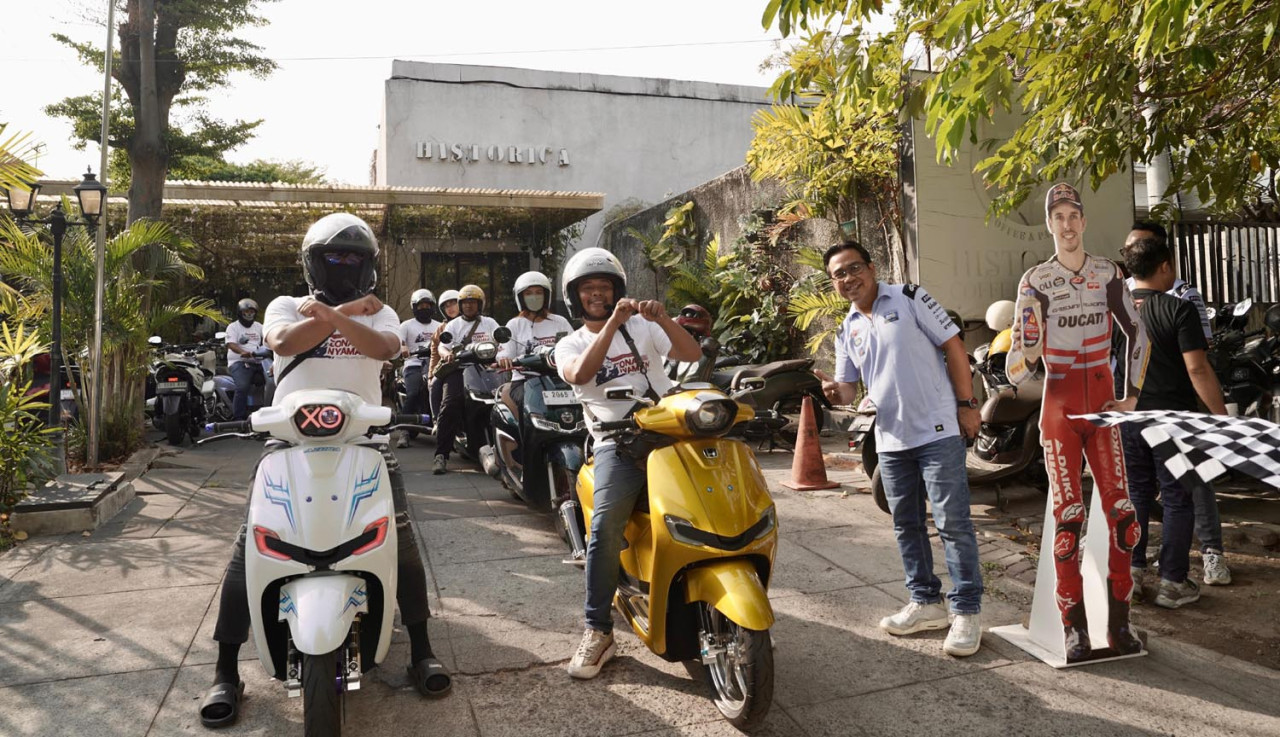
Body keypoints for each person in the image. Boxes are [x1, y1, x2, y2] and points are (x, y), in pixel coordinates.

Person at [198, 213, 450, 729]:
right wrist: (350, 311)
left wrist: (335, 314)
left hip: (366, 443)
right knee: (249, 548)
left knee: (401, 543)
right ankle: (225, 670)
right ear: (312, 263)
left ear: (368, 265)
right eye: (332, 257)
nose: (343, 265)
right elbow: (285, 342)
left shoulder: (383, 313)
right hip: (287, 445)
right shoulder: (285, 305)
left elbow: (385, 348)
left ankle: (422, 649)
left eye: (352, 258)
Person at [815, 240, 985, 658]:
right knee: (906, 524)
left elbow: (953, 346)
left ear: (871, 268)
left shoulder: (909, 297)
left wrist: (967, 404)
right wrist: (833, 391)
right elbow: (849, 390)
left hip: (938, 430)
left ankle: (966, 610)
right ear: (833, 283)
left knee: (953, 523)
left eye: (854, 268)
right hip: (890, 439)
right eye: (839, 274)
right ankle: (926, 602)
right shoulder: (846, 329)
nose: (848, 278)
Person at [1006, 182, 1151, 661]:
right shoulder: (1035, 280)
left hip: (1103, 407)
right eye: (1058, 217)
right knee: (1068, 519)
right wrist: (1024, 355)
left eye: (1073, 216)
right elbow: (1018, 362)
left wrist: (1131, 396)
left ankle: (1121, 624)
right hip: (1060, 407)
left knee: (1124, 518)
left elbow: (1138, 333)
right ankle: (1073, 628)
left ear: (1084, 222)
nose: (1067, 225)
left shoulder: (1108, 273)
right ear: (1049, 225)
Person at [554, 247, 700, 679]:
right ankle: (598, 629)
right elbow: (580, 375)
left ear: (618, 289)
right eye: (588, 289)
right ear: (575, 297)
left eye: (605, 287)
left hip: (670, 432)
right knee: (604, 529)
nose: (597, 294)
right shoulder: (570, 342)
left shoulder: (643, 326)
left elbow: (690, 354)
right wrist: (612, 324)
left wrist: (663, 319)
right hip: (616, 444)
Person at [1120, 236, 1229, 609]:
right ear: (1164, 266)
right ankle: (1172, 582)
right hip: (1173, 420)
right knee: (1177, 499)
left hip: (1129, 417)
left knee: (1136, 495)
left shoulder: (1117, 311)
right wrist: (1220, 416)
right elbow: (1197, 369)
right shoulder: (1179, 309)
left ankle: (1131, 576)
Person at [432, 284, 500, 475]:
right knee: (451, 403)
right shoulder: (453, 325)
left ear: (480, 304)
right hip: (459, 369)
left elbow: (501, 343)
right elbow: (442, 346)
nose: (469, 306)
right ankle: (441, 455)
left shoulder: (490, 323)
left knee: (502, 402)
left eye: (473, 302)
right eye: (465, 303)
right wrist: (446, 354)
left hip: (488, 369)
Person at [495, 271, 573, 419]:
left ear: (546, 296)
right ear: (521, 298)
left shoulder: (560, 322)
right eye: (528, 293)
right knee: (529, 408)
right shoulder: (514, 324)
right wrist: (504, 359)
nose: (534, 297)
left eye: (539, 292)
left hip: (559, 379)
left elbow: (574, 346)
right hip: (524, 381)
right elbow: (505, 352)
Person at [396, 288, 440, 448]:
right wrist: (403, 348)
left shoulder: (439, 326)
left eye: (427, 305)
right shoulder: (406, 325)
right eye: (421, 306)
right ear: (414, 307)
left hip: (435, 364)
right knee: (413, 393)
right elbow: (399, 342)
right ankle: (404, 431)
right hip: (413, 364)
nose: (424, 308)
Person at [224, 298, 269, 421]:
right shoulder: (233, 327)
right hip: (240, 362)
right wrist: (242, 352)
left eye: (251, 312)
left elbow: (269, 339)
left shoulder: (259, 326)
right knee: (242, 387)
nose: (249, 314)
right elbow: (231, 344)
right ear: (240, 313)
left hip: (259, 361)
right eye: (246, 312)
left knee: (273, 382)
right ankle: (238, 417)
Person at [427, 289, 462, 422]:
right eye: (446, 306)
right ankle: (437, 420)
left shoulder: (474, 322)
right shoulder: (440, 329)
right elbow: (435, 354)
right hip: (450, 367)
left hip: (475, 366)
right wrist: (431, 375)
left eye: (453, 303)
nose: (450, 308)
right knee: (434, 385)